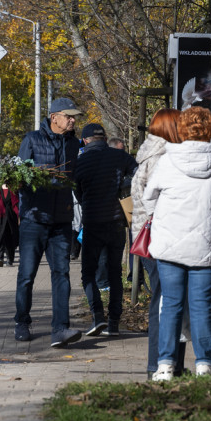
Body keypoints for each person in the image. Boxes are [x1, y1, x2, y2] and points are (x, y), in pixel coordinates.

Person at [143, 107, 211, 381]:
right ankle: (204, 365)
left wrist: (160, 214)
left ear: (182, 130)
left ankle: (165, 366)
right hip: (206, 247)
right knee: (202, 304)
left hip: (169, 244)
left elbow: (149, 198)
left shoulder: (168, 161)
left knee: (170, 304)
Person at [13, 97, 84, 347]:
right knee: (27, 275)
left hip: (62, 220)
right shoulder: (32, 140)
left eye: (74, 116)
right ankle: (22, 322)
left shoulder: (74, 144)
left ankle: (60, 329)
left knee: (62, 273)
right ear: (54, 118)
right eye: (69, 116)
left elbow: (77, 179)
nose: (73, 119)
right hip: (34, 219)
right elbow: (18, 178)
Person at [131, 107, 182, 378]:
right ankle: (160, 364)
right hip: (161, 237)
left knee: (162, 299)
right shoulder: (164, 156)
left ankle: (160, 363)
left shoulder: (147, 154)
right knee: (165, 301)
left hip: (147, 237)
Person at [73, 122, 138, 336]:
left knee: (88, 273)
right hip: (116, 222)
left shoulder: (80, 162)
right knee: (114, 274)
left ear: (85, 140)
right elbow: (138, 172)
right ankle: (113, 322)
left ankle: (98, 316)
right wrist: (124, 188)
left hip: (92, 223)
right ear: (104, 138)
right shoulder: (119, 156)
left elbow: (79, 193)